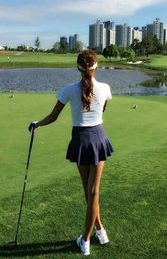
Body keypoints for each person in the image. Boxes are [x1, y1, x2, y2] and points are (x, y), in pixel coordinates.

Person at [28, 49, 113, 256]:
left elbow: (53, 116)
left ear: (78, 68)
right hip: (98, 138)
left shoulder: (68, 89)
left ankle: (85, 240)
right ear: (96, 67)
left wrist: (37, 124)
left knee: (90, 191)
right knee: (91, 193)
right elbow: (102, 109)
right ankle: (100, 231)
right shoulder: (105, 88)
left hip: (81, 140)